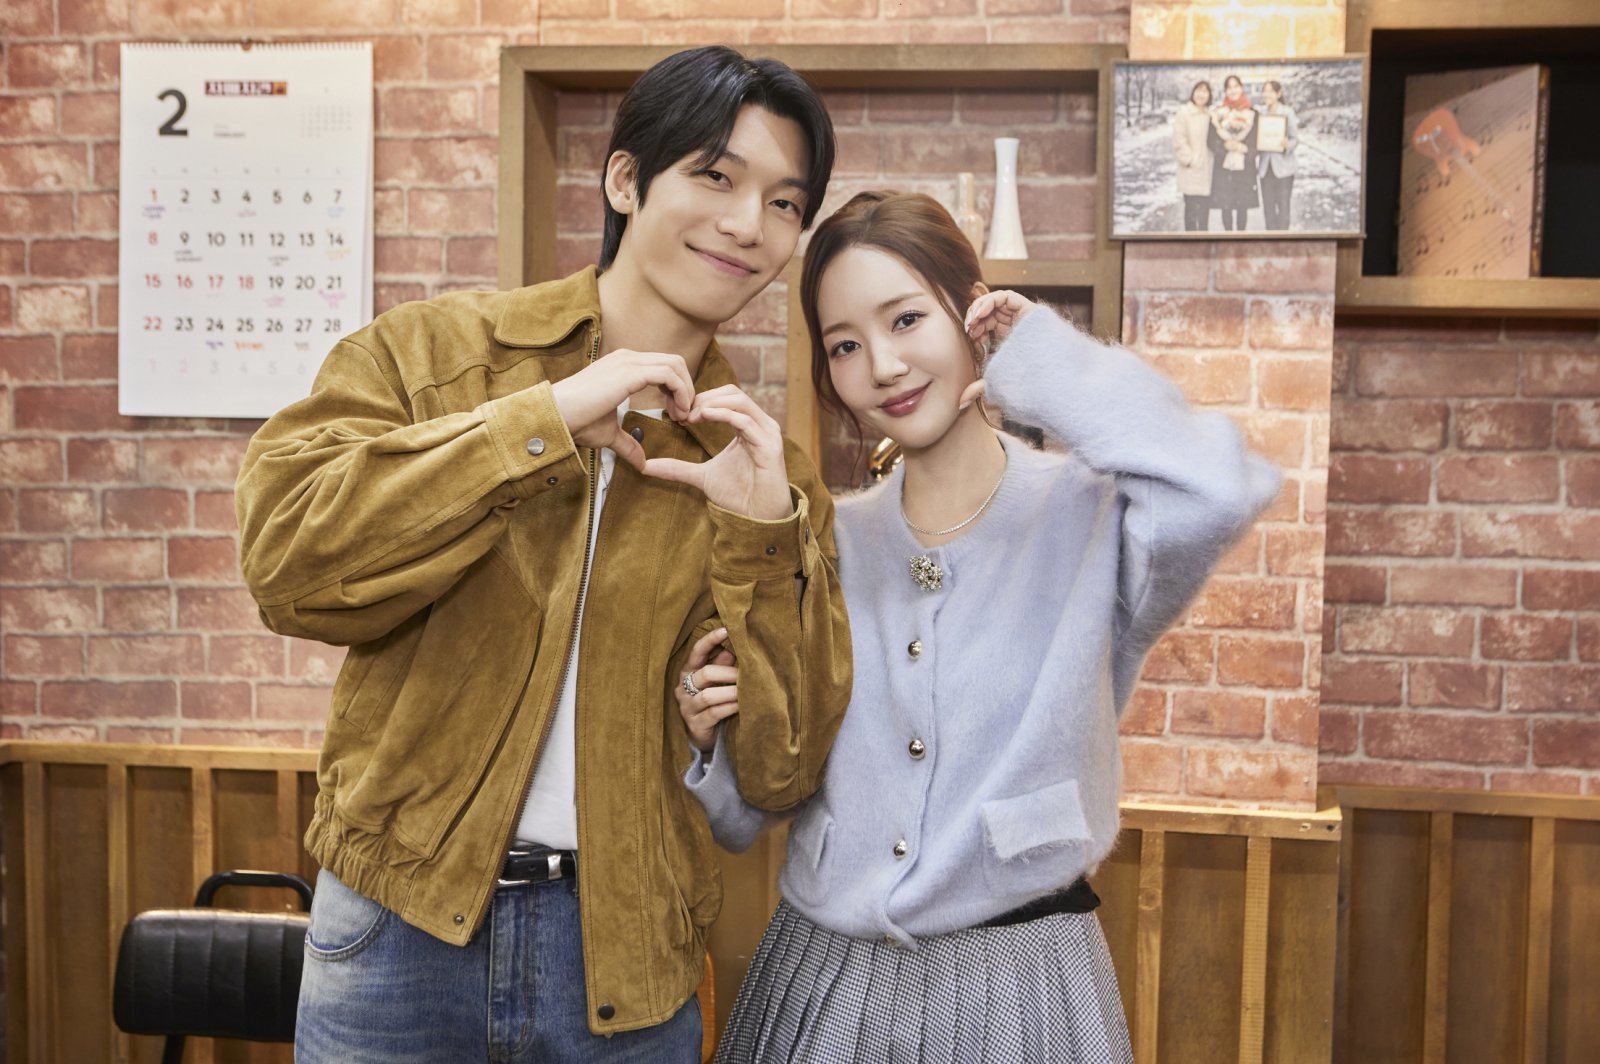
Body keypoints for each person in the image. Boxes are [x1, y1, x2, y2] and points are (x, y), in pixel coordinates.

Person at [234, 46, 854, 1063]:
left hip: (623, 956)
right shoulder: (432, 354)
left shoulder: (762, 470)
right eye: (715, 175)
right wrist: (542, 421)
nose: (751, 224)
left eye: (785, 203)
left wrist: (759, 537)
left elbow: (783, 770)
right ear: (625, 180)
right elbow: (288, 563)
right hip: (398, 926)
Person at [674, 191, 1281, 1062]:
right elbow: (751, 816)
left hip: (1023, 988)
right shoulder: (828, 541)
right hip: (825, 977)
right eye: (845, 345)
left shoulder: (1090, 515)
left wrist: (1043, 360)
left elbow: (1218, 486)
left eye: (906, 319)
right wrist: (716, 744)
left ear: (974, 314)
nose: (883, 365)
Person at [1208, 74, 1260, 232]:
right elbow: (1210, 141)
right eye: (1229, 87)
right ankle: (1228, 237)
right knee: (1226, 205)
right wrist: (1225, 146)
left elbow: (1258, 141)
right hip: (1224, 168)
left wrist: (1246, 149)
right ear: (1225, 91)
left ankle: (1241, 237)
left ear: (1241, 88)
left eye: (1236, 86)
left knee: (1242, 205)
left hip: (1245, 168)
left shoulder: (1253, 114)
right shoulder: (1218, 114)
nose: (1233, 90)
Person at [1256, 79, 1300, 230]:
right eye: (1265, 91)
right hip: (1265, 168)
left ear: (1278, 93)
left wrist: (1287, 145)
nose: (1266, 94)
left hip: (1284, 168)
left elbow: (1295, 139)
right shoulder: (1260, 113)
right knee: (1268, 209)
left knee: (1283, 208)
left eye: (1270, 91)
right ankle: (1270, 239)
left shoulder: (1287, 112)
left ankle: (1283, 240)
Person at [1172, 80, 1215, 232]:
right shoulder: (1184, 113)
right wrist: (1189, 160)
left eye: (1205, 91)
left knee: (1204, 211)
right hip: (1191, 169)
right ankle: (1190, 241)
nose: (1201, 95)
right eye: (1198, 90)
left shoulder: (1210, 114)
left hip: (1207, 169)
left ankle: (1204, 241)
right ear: (1193, 93)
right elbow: (1179, 140)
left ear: (1209, 95)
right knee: (1191, 209)